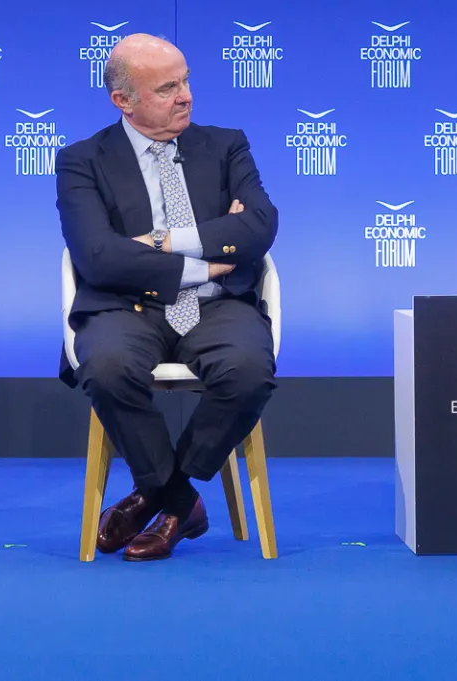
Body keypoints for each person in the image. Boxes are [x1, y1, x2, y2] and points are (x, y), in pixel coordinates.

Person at [56, 34, 279, 561]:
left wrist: (162, 242)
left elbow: (259, 227)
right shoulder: (82, 161)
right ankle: (179, 502)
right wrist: (204, 258)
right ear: (123, 100)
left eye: (186, 81)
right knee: (107, 367)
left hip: (219, 303)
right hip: (124, 304)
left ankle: (153, 495)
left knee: (249, 370)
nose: (186, 96)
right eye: (167, 88)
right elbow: (98, 258)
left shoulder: (226, 145)